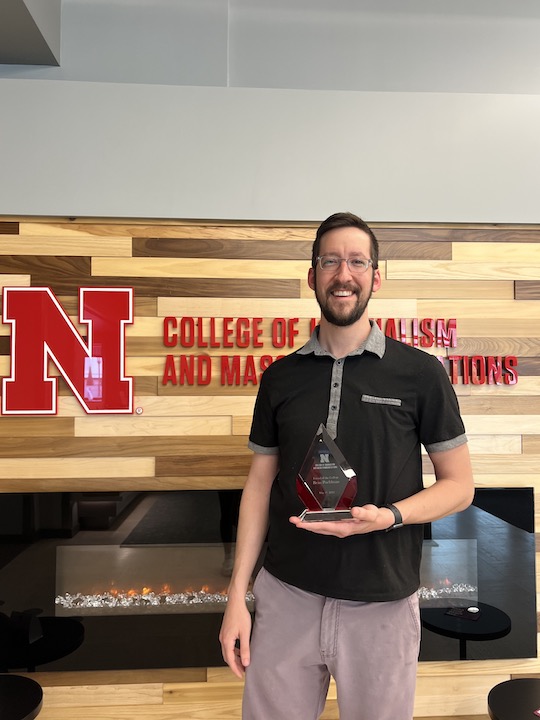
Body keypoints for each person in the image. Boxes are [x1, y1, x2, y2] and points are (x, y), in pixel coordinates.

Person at [219, 212, 474, 720]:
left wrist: (390, 515)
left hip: (381, 602)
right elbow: (258, 488)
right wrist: (236, 598)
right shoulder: (280, 378)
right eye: (330, 261)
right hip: (287, 596)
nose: (344, 273)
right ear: (311, 275)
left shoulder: (420, 374)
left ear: (376, 277)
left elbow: (460, 486)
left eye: (357, 261)